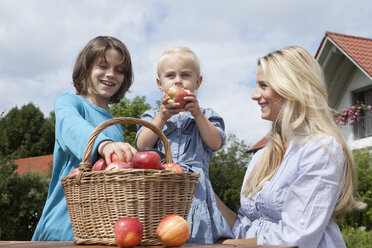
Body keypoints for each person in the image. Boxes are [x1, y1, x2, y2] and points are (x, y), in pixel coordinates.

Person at [220, 46, 365, 248]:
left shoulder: (321, 149)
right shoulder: (261, 157)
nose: (254, 95)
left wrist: (228, 245)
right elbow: (246, 228)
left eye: (263, 85)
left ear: (291, 88)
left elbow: (296, 237)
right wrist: (204, 191)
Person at [32, 36, 137, 241]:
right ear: (86, 69)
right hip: (62, 228)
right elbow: (72, 127)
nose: (111, 74)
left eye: (119, 70)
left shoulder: (115, 125)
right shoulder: (69, 102)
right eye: (103, 66)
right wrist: (104, 144)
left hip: (99, 230)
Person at [136, 47, 233, 243]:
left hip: (195, 192)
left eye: (185, 75)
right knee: (161, 235)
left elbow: (215, 143)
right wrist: (162, 116)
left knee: (196, 235)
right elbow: (142, 146)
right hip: (162, 189)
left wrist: (197, 114)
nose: (178, 80)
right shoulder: (153, 116)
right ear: (160, 83)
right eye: (170, 75)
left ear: (198, 82)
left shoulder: (206, 115)